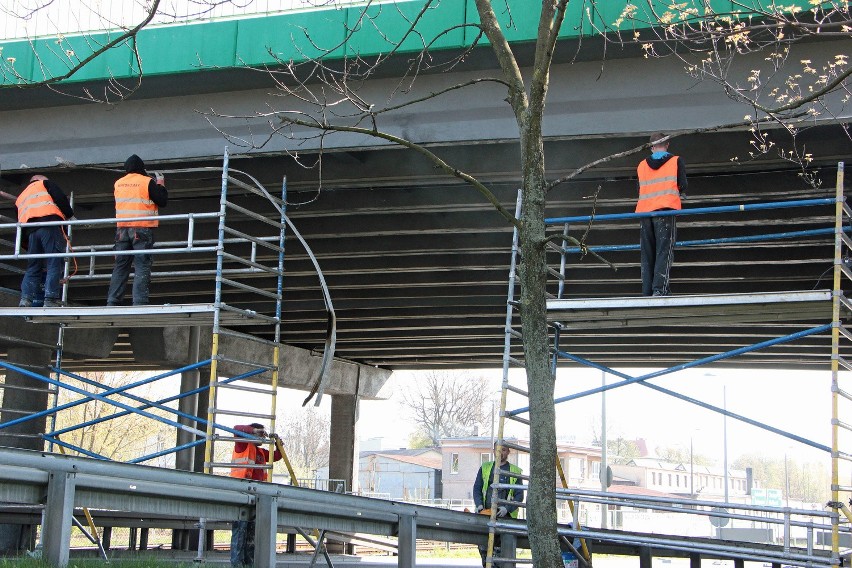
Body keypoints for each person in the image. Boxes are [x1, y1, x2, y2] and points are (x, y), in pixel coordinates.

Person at [106, 154, 167, 306]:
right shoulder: (146, 181)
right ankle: (139, 301)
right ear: (142, 168)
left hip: (122, 230)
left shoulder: (118, 183)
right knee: (142, 264)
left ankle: (113, 301)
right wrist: (160, 184)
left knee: (121, 266)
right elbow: (162, 201)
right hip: (141, 228)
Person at [636, 132, 688, 297]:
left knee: (648, 252)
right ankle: (660, 290)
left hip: (645, 212)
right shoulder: (675, 161)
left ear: (652, 147)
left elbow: (640, 189)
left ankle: (647, 291)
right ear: (667, 145)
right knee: (663, 250)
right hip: (665, 210)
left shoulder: (641, 165)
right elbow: (683, 185)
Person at [15, 175, 74, 308]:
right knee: (54, 262)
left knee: (33, 267)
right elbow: (60, 198)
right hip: (49, 226)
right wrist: (70, 215)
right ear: (40, 179)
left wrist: (25, 245)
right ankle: (50, 299)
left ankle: (25, 299)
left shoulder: (21, 197)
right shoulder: (44, 184)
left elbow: (20, 222)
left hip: (31, 232)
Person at [229, 423, 283, 567]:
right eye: (260, 434)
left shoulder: (260, 452)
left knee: (251, 534)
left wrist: (279, 444)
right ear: (252, 434)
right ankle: (237, 564)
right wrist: (253, 430)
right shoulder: (243, 445)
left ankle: (249, 563)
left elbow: (276, 456)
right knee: (240, 532)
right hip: (241, 493)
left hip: (256, 496)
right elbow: (236, 428)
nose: (262, 437)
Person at [472, 442, 524, 566]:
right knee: (484, 548)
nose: (500, 453)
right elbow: (477, 488)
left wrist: (507, 508)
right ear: (494, 451)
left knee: (503, 551)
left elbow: (519, 496)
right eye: (498, 450)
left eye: (504, 450)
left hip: (506, 519)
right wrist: (479, 505)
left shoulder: (515, 471)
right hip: (485, 514)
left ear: (508, 452)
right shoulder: (485, 467)